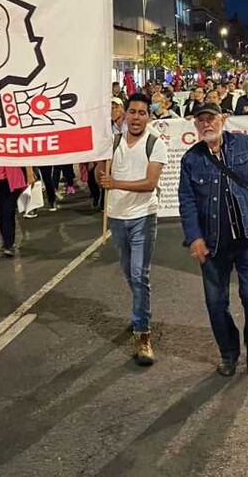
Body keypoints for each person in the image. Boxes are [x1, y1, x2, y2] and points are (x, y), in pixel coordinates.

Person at [179, 103, 248, 377]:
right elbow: (187, 201)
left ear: (223, 119)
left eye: (211, 118)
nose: (206, 124)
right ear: (195, 125)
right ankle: (229, 354)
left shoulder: (244, 145)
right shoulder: (191, 159)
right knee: (216, 304)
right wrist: (194, 237)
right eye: (201, 120)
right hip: (213, 244)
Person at [96, 94, 168, 367]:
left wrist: (115, 184)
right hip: (116, 217)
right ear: (124, 115)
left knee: (139, 275)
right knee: (129, 273)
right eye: (132, 112)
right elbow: (101, 178)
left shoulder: (155, 144)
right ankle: (140, 310)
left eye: (142, 113)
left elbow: (150, 183)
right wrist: (99, 169)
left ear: (149, 116)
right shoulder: (112, 142)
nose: (136, 117)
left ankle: (142, 333)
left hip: (143, 217)